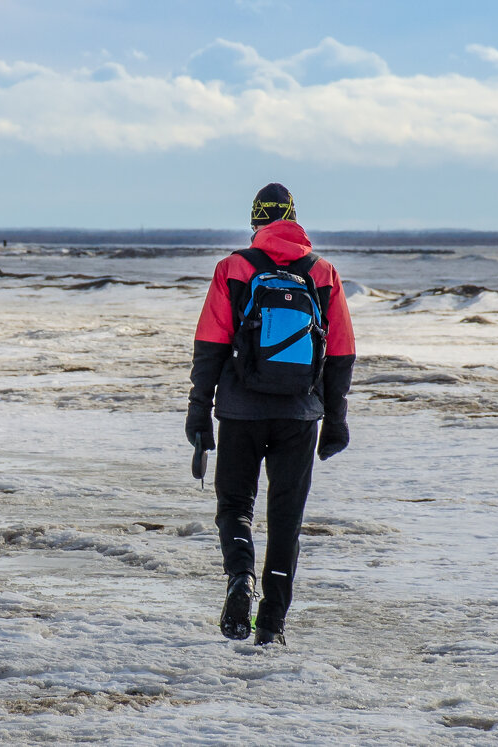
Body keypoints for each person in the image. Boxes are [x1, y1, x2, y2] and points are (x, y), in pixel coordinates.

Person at [186, 183, 356, 646]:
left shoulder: (233, 268)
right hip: (300, 415)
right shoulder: (323, 273)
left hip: (240, 411)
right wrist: (335, 420)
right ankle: (272, 625)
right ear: (295, 220)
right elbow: (340, 353)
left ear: (256, 223)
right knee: (286, 520)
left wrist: (199, 413)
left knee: (235, 508)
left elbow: (211, 345)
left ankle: (240, 576)